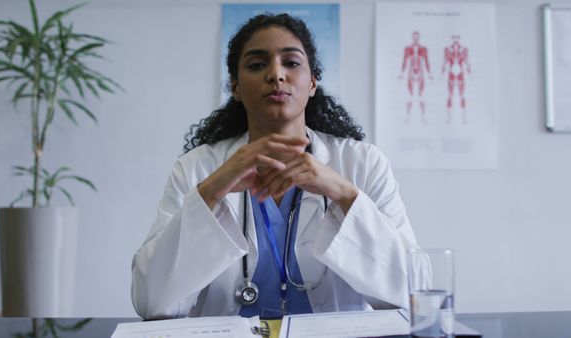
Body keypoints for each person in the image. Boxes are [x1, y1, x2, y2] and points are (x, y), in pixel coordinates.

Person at [131, 13, 420, 320]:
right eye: (257, 65)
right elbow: (152, 301)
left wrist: (345, 194)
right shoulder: (196, 168)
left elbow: (414, 292)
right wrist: (211, 191)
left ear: (312, 84)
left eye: (291, 63)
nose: (276, 74)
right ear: (236, 88)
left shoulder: (362, 163)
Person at [399, 31, 432, 125]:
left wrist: (429, 73)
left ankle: (423, 116)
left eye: (417, 37)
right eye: (414, 37)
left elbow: (426, 62)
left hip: (420, 73)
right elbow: (404, 61)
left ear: (419, 37)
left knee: (421, 95)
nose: (415, 38)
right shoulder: (408, 48)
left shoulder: (423, 49)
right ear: (412, 37)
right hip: (411, 73)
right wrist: (401, 73)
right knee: (410, 96)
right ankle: (408, 117)